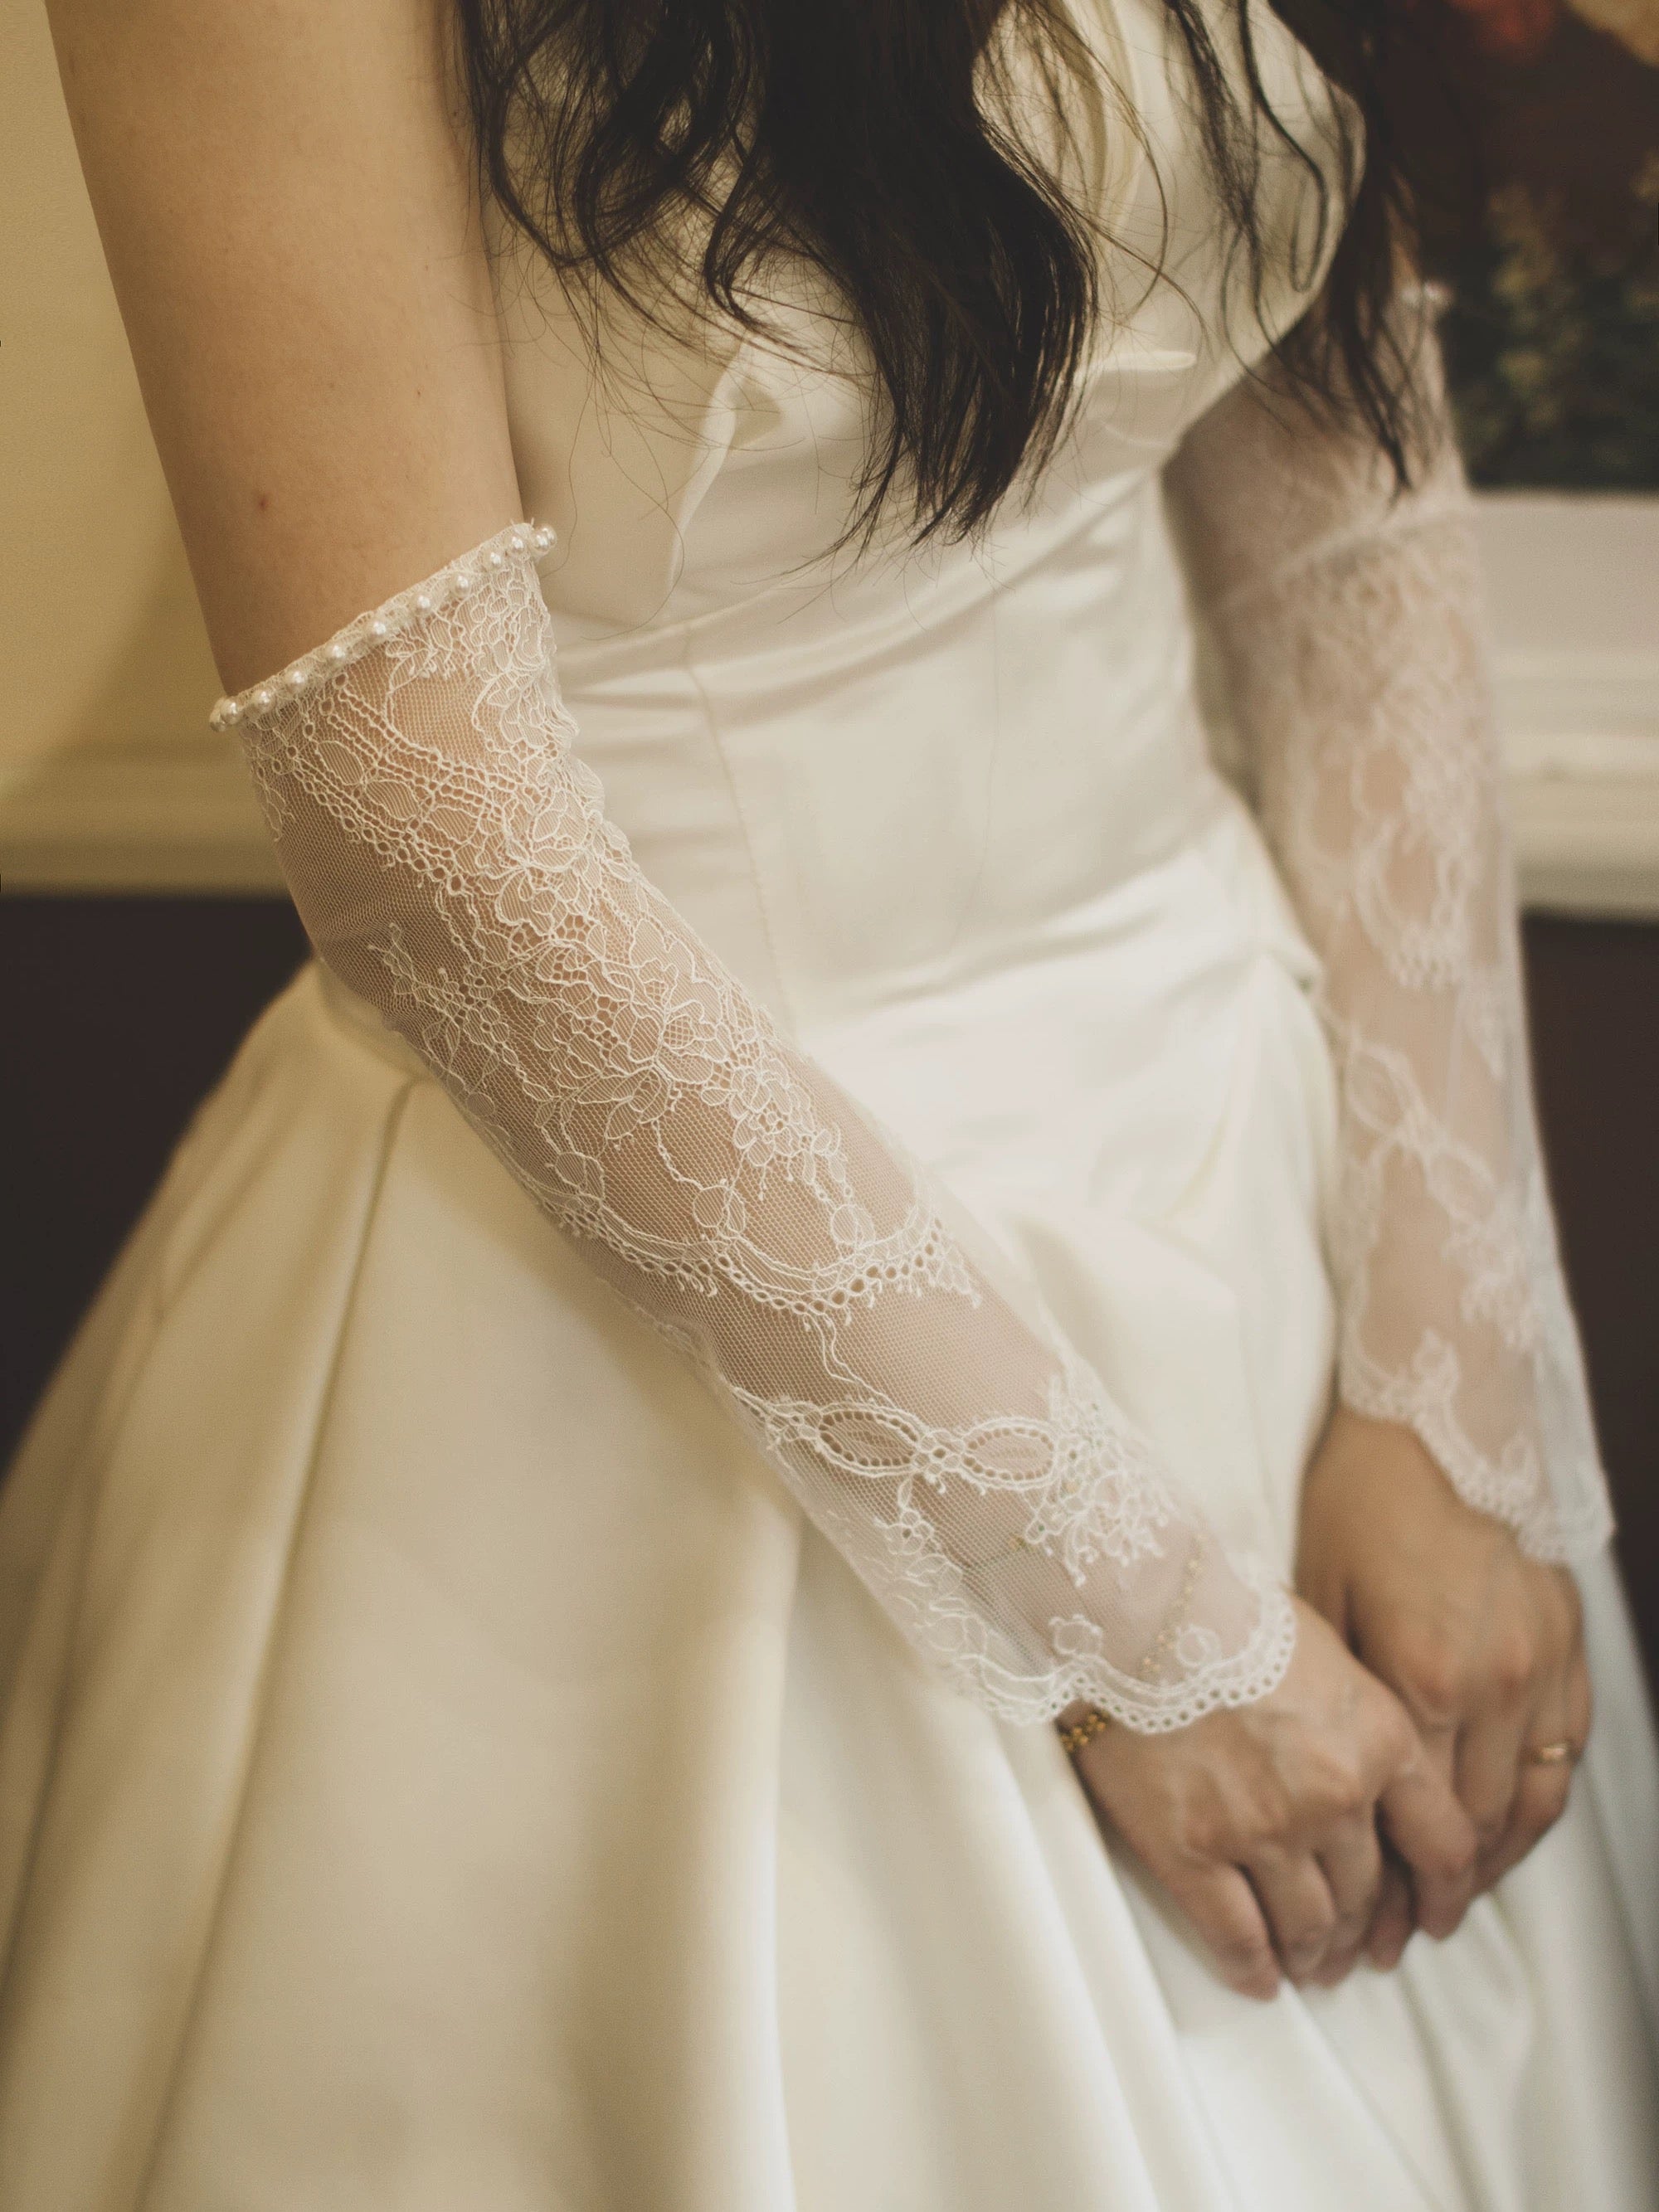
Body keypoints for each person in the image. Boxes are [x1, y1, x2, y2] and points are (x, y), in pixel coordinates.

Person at [2, 0, 1655, 2201]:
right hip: (636, 1281)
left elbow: (1348, 491)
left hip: (1255, 1158)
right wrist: (1127, 1615)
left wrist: (1448, 1383)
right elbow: (419, 820)